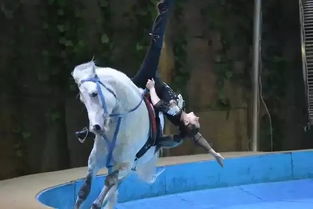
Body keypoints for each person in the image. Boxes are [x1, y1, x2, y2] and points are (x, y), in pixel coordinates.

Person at [76, 0, 224, 167]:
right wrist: (213, 152)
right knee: (115, 104)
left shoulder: (175, 111)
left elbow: (159, 104)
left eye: (196, 120)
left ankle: (166, 7)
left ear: (188, 122)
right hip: (150, 81)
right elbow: (196, 136)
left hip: (148, 82)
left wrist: (152, 88)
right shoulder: (181, 115)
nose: (197, 117)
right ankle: (88, 132)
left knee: (156, 47)